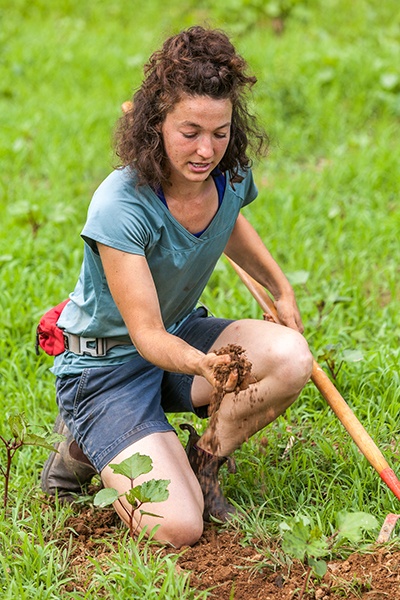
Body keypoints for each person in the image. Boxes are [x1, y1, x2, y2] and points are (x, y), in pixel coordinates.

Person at [41, 25, 313, 549]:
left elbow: (229, 222)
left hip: (178, 334)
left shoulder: (227, 174)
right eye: (190, 131)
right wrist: (205, 365)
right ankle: (82, 440)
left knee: (289, 357)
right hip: (107, 368)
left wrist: (281, 288)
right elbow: (144, 335)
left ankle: (203, 465)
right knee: (178, 527)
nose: (207, 149)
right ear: (156, 122)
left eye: (221, 131)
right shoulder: (121, 205)